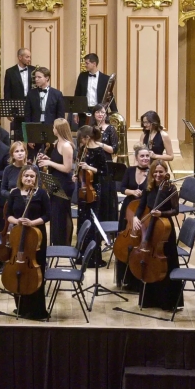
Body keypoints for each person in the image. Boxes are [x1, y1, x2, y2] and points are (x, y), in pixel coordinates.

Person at [128, 162, 181, 311]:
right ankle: (149, 299)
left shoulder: (171, 188)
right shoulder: (149, 186)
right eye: (155, 172)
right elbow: (141, 205)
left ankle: (168, 301)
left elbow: (176, 210)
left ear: (166, 172)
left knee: (166, 262)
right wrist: (136, 217)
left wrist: (161, 214)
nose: (158, 175)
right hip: (150, 226)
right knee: (149, 260)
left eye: (161, 172)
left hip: (164, 229)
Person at [3, 165, 50, 320]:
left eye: (32, 176)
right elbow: (8, 214)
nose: (29, 179)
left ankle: (37, 310)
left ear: (36, 178)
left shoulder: (41, 193)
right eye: (26, 176)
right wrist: (17, 221)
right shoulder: (15, 193)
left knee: (36, 272)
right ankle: (21, 308)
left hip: (36, 237)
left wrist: (32, 223)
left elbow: (47, 215)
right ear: (21, 177)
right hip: (18, 236)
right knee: (18, 271)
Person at [115, 149, 154, 290]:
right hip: (128, 210)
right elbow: (122, 188)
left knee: (140, 242)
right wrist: (132, 192)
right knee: (125, 241)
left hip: (143, 212)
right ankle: (124, 278)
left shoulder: (152, 172)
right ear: (137, 157)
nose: (145, 158)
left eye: (147, 156)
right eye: (142, 156)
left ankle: (138, 278)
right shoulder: (129, 170)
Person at [36, 118, 76, 246]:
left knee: (61, 214)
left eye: (54, 127)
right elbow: (58, 161)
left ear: (58, 129)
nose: (52, 129)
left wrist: (49, 162)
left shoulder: (66, 146)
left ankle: (63, 243)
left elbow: (67, 168)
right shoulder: (56, 143)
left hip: (63, 183)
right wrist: (47, 158)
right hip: (54, 181)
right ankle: (56, 242)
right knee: (55, 213)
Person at [74, 125, 107, 250]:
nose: (81, 142)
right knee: (82, 217)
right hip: (82, 188)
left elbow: (104, 172)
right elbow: (79, 167)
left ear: (87, 137)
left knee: (92, 219)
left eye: (81, 139)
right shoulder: (83, 149)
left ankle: (93, 253)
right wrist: (76, 175)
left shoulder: (99, 151)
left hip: (94, 189)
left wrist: (89, 168)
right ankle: (81, 251)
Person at [90, 106, 120, 222]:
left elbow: (114, 149)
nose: (100, 114)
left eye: (102, 112)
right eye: (97, 112)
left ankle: (107, 222)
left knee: (106, 194)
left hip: (106, 164)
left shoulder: (111, 129)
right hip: (92, 164)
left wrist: (99, 144)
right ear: (94, 114)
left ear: (106, 115)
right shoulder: (90, 128)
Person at [73, 53, 113, 124]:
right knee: (83, 133)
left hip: (99, 111)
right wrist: (75, 113)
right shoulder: (82, 76)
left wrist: (115, 113)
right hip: (84, 111)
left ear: (94, 64)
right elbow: (77, 94)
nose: (85, 65)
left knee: (98, 132)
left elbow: (110, 96)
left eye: (87, 63)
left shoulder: (105, 78)